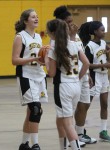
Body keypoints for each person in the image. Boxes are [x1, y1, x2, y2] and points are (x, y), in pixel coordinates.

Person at [53, 5, 97, 145]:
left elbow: (82, 58)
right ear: (61, 23)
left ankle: (80, 133)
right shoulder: (59, 39)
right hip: (70, 78)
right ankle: (72, 139)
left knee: (85, 103)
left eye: (72, 21)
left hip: (82, 74)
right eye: (68, 22)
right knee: (69, 110)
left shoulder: (75, 35)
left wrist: (87, 74)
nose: (72, 24)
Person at [45, 18, 89, 150]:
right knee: (62, 118)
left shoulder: (54, 49)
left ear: (53, 33)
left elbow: (51, 73)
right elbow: (86, 63)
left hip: (63, 87)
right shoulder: (75, 44)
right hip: (76, 86)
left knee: (68, 123)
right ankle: (62, 147)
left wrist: (46, 60)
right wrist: (78, 77)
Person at [12, 9, 48, 150]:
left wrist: (44, 61)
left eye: (37, 16)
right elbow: (14, 60)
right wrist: (34, 58)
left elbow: (39, 58)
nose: (36, 18)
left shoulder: (38, 37)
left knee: (32, 111)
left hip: (39, 75)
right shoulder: (20, 37)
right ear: (26, 21)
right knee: (35, 109)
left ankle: (24, 144)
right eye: (33, 17)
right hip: (26, 76)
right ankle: (35, 145)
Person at [79, 21, 110, 142]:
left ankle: (103, 131)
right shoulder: (89, 46)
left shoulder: (103, 43)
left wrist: (108, 55)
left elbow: (106, 57)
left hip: (104, 77)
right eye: (102, 30)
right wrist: (104, 64)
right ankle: (81, 130)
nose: (104, 32)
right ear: (95, 32)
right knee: (86, 105)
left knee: (105, 104)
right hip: (94, 76)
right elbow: (88, 65)